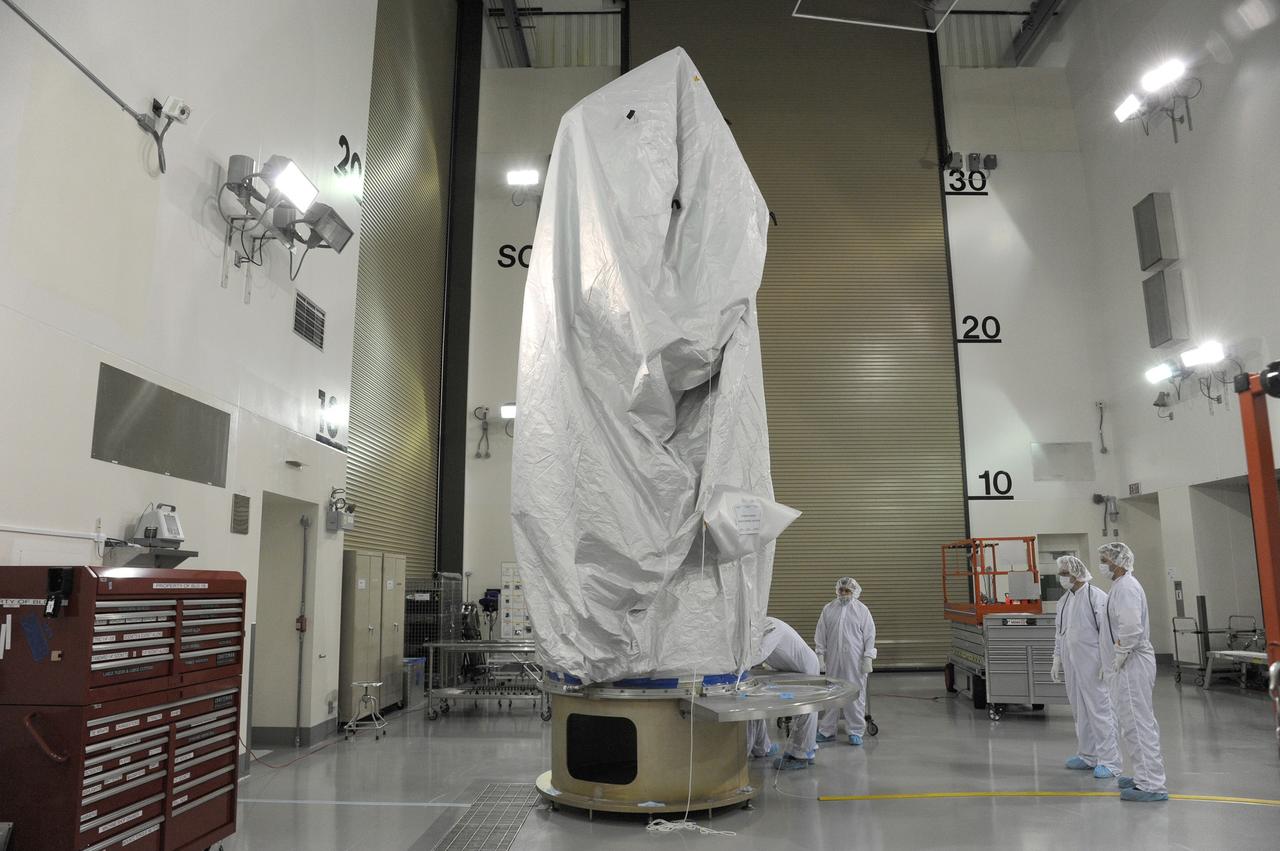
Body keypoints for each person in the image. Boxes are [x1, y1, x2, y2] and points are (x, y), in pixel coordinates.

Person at [1098, 542, 1169, 802]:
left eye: (1105, 559)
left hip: (1131, 662)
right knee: (1132, 723)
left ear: (1118, 562)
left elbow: (1130, 628)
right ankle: (1142, 775)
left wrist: (1119, 654)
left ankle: (1152, 784)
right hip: (1126, 662)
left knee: (1138, 724)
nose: (1102, 563)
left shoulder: (1126, 588)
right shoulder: (1119, 586)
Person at [1051, 555, 1122, 779]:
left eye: (1064, 573)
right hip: (1073, 663)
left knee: (1100, 709)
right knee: (1079, 708)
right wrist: (1057, 658)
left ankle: (1110, 761)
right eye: (1061, 573)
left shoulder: (1096, 597)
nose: (1061, 578)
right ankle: (1087, 755)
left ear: (1076, 573)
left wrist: (1107, 661)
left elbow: (1109, 632)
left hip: (1093, 663)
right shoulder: (1063, 601)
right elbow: (1060, 632)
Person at [745, 617, 820, 770]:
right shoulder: (758, 629)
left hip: (804, 669)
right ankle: (762, 746)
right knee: (755, 702)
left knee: (805, 709)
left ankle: (801, 755)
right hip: (787, 670)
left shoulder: (771, 628)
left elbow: (758, 654)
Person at [815, 576, 877, 745]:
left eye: (847, 590)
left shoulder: (862, 610)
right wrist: (820, 655)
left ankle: (856, 730)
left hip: (854, 660)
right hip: (834, 659)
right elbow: (821, 633)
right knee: (831, 692)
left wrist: (868, 657)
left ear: (854, 592)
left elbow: (869, 635)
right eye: (841, 590)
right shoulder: (829, 609)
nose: (843, 593)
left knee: (855, 694)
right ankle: (827, 730)